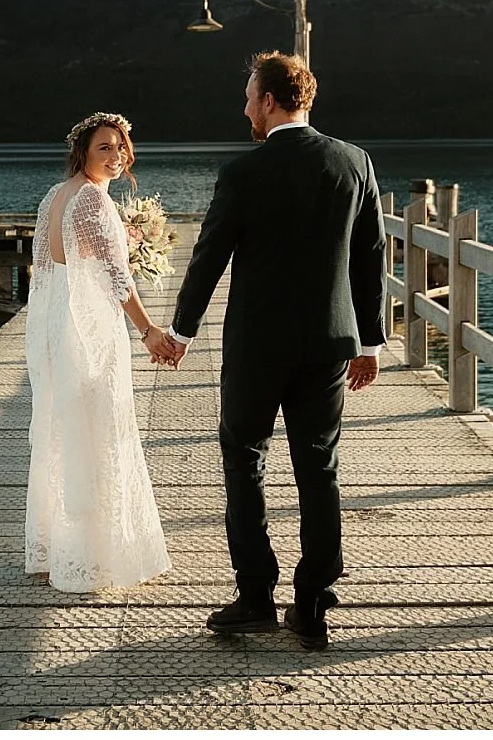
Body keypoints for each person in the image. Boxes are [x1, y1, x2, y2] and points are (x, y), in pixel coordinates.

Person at [147, 52, 385, 649]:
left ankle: (255, 596)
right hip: (330, 343)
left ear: (272, 102)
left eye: (250, 96)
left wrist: (180, 332)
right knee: (318, 466)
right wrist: (372, 340)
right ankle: (312, 603)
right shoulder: (354, 163)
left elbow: (208, 258)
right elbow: (371, 257)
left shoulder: (243, 173)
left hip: (257, 347)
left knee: (244, 462)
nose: (245, 108)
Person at [25, 111, 173, 593]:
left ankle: (58, 547)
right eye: (103, 148)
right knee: (100, 427)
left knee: (65, 428)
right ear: (83, 153)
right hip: (87, 328)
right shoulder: (92, 202)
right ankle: (95, 555)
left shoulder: (55, 195)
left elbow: (47, 270)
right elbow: (116, 280)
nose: (115, 157)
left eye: (120, 147)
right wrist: (149, 330)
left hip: (56, 321)